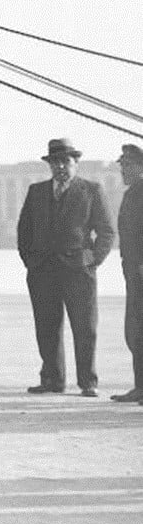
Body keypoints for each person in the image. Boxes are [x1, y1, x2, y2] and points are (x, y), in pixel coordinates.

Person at [17, 138, 114, 397]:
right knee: (46, 327)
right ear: (49, 165)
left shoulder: (92, 190)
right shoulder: (36, 191)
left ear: (76, 163)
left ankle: (88, 382)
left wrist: (92, 260)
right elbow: (24, 230)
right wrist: (31, 261)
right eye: (55, 162)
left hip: (78, 271)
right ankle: (52, 379)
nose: (60, 167)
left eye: (66, 161)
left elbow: (106, 232)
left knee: (85, 328)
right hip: (42, 271)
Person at [112, 143, 143, 403]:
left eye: (126, 166)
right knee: (135, 330)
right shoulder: (133, 193)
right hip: (134, 273)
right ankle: (140, 386)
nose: (122, 170)